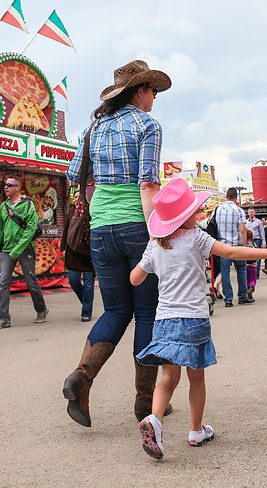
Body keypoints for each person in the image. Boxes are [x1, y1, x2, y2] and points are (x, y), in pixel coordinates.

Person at [132, 178, 267, 459]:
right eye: (195, 213)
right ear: (187, 217)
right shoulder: (197, 238)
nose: (198, 216)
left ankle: (156, 419)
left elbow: (135, 279)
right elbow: (232, 252)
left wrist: (153, 261)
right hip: (193, 319)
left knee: (168, 378)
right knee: (196, 377)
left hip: (164, 320)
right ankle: (196, 430)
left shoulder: (155, 246)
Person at [62, 60, 171, 427]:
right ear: (139, 92)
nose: (154, 97)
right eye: (152, 90)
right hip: (136, 228)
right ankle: (145, 402)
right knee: (146, 313)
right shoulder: (147, 125)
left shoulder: (94, 127)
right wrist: (157, 232)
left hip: (100, 230)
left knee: (114, 311)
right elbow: (148, 183)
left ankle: (81, 376)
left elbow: (73, 174)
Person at [0, 177, 47, 329]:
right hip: (6, 250)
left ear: (17, 188)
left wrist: (17, 250)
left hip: (25, 249)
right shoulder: (4, 206)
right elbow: (0, 230)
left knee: (30, 281)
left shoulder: (28, 205)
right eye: (5, 185)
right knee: (3, 283)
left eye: (9, 185)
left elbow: (30, 229)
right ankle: (3, 318)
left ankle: (41, 309)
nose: (6, 187)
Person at [213, 187, 250, 306]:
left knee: (224, 272)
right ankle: (242, 296)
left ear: (226, 196)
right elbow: (242, 230)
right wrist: (244, 246)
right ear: (236, 197)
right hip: (237, 245)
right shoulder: (239, 210)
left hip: (222, 246)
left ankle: (228, 299)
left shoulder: (217, 210)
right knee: (241, 269)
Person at [245, 208, 266, 279]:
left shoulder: (258, 222)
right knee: (248, 257)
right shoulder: (246, 222)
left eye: (252, 212)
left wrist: (263, 242)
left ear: (254, 213)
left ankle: (256, 275)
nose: (251, 213)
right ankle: (249, 273)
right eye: (250, 212)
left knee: (257, 257)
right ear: (248, 213)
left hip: (257, 239)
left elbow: (262, 232)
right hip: (249, 240)